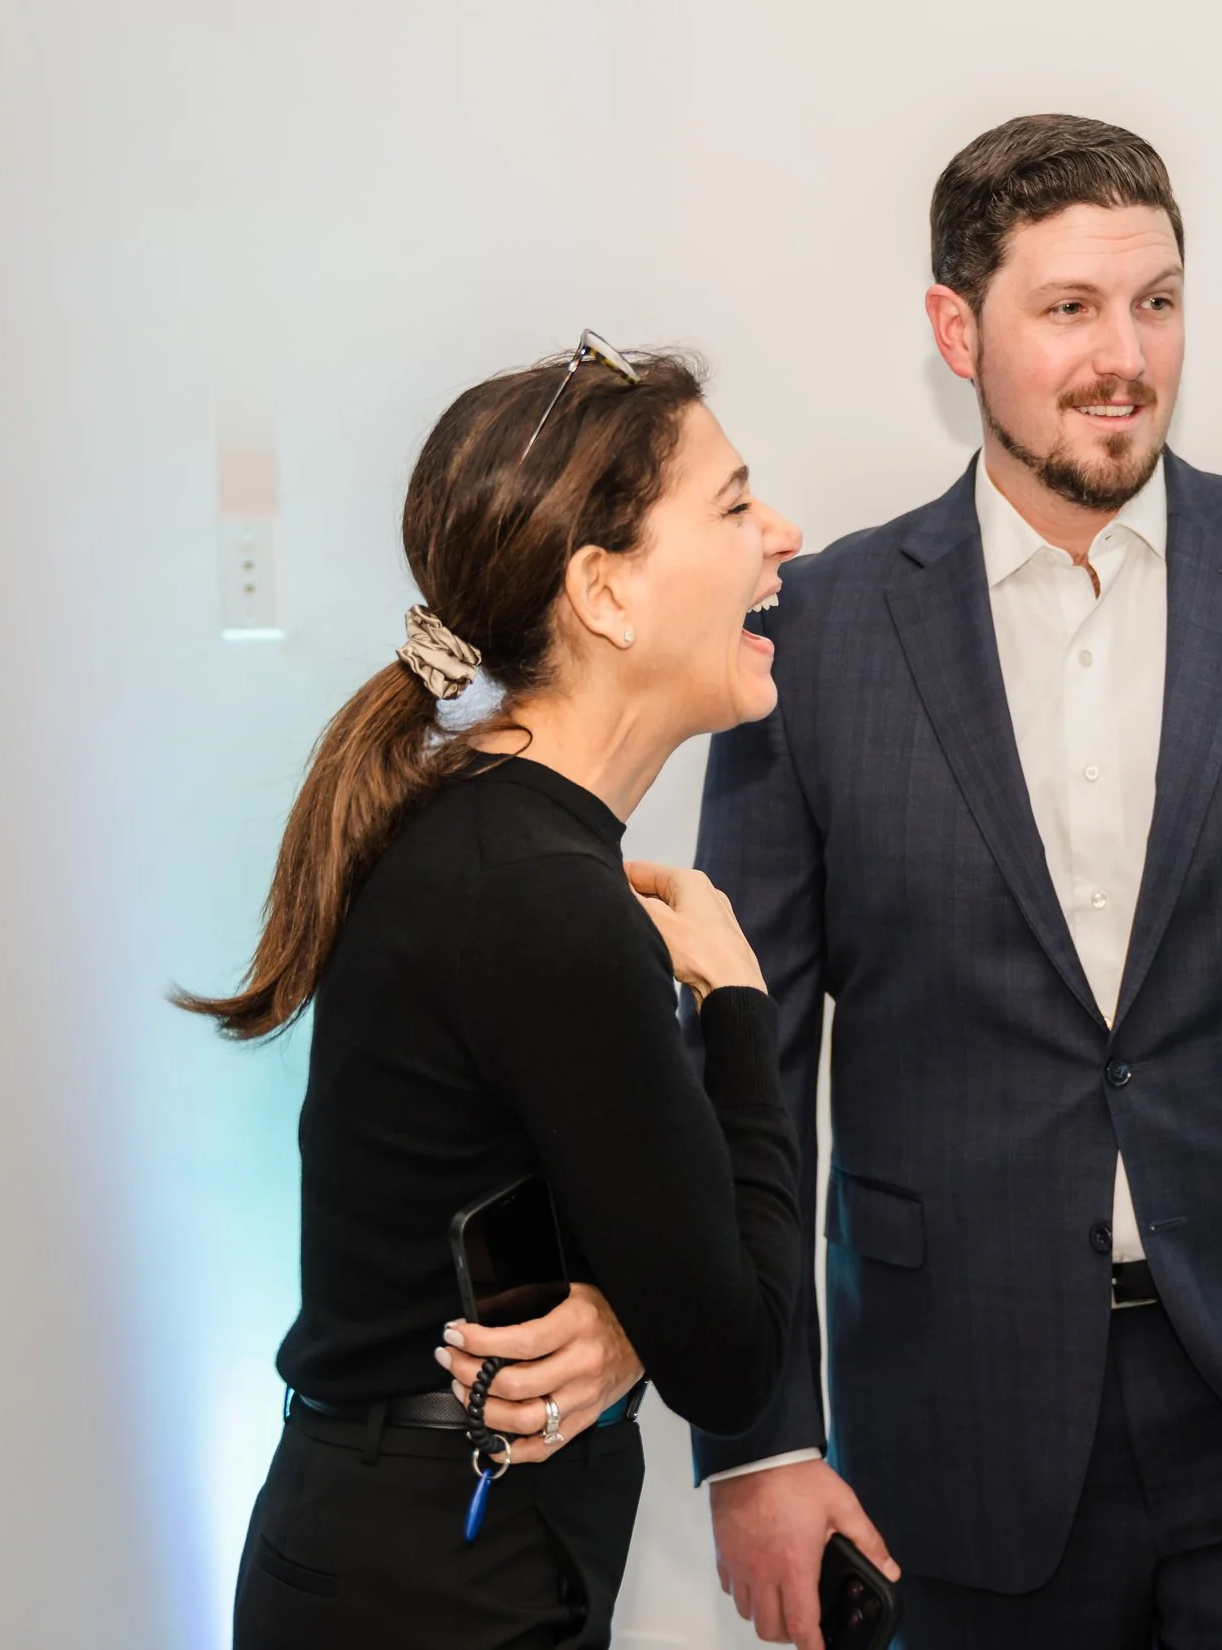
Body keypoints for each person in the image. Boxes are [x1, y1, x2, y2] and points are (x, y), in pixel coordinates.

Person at [692, 115, 1222, 1649]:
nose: (1125, 357)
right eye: (1070, 308)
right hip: (954, 1433)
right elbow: (741, 1065)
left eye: (1157, 301)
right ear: (958, 329)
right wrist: (757, 1439)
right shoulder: (812, 637)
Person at [177, 338, 810, 1648]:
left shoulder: (487, 841)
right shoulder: (542, 898)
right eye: (736, 505)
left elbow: (613, 1226)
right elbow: (737, 1361)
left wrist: (631, 1321)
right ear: (605, 591)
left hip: (400, 1552)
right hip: (437, 1583)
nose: (782, 536)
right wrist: (739, 1003)